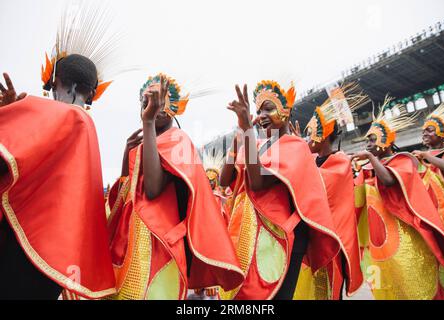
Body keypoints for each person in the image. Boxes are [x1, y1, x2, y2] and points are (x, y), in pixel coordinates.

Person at [0, 2, 120, 300]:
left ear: (60, 84)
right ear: (92, 92)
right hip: (53, 254)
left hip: (24, 243)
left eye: (53, 87)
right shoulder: (86, 126)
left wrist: (9, 115)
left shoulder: (62, 116)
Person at [106, 74, 244, 300]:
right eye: (145, 102)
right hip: (131, 247)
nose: (150, 106)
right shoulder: (144, 146)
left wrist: (148, 123)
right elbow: (126, 195)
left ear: (173, 108)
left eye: (157, 100)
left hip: (160, 250)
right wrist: (126, 156)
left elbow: (152, 190)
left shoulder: (178, 140)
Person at [219, 80, 341, 300]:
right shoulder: (258, 146)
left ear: (286, 111)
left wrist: (248, 130)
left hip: (283, 240)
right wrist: (240, 134)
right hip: (255, 237)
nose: (261, 115)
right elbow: (224, 178)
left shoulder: (295, 145)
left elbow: (257, 183)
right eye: (258, 111)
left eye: (268, 108)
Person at [351, 103, 444, 299]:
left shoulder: (403, 160)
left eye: (372, 140)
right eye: (367, 141)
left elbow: (388, 180)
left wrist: (370, 157)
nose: (368, 144)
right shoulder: (378, 165)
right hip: (381, 236)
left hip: (421, 223)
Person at [290, 86, 367, 299]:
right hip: (312, 241)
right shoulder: (313, 160)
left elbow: (316, 186)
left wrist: (301, 155)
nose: (306, 139)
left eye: (308, 134)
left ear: (322, 135)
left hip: (333, 244)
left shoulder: (340, 162)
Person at [412, 102, 444, 233]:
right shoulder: (420, 157)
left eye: (429, 130)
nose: (424, 134)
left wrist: (426, 156)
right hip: (429, 211)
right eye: (423, 131)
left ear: (442, 133)